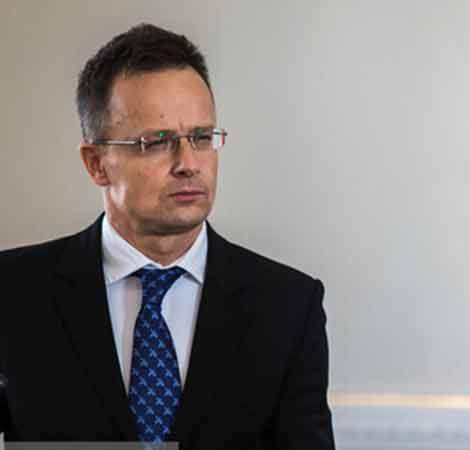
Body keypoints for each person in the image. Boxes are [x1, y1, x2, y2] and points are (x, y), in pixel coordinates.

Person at [0, 23, 335, 449]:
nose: (188, 163)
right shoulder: (13, 293)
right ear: (96, 163)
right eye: (157, 143)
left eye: (201, 137)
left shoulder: (288, 306)